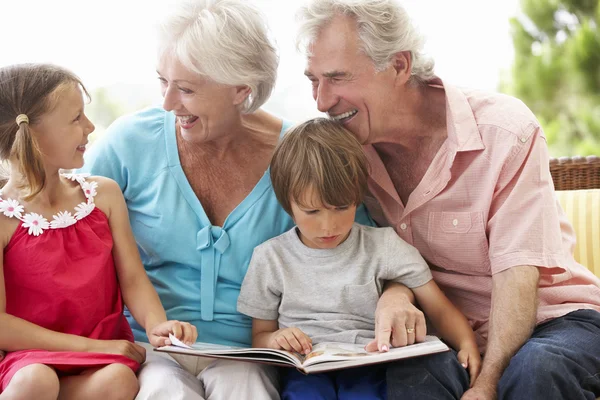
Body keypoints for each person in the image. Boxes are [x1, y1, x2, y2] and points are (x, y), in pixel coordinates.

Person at [81, 0, 427, 398]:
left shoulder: (301, 155)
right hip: (152, 346)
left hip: (251, 354)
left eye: (187, 89)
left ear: (241, 89)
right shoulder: (129, 144)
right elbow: (56, 221)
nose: (168, 103)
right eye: (164, 81)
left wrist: (397, 296)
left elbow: (364, 248)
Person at [296, 1, 600, 399]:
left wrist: (487, 384)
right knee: (410, 379)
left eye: (336, 78)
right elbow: (367, 254)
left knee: (534, 372)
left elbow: (517, 274)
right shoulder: (348, 156)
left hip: (554, 320)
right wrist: (396, 293)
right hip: (446, 332)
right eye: (313, 80)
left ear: (399, 66)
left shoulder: (504, 132)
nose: (321, 101)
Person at [237, 118, 481, 399]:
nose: (328, 226)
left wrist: (467, 343)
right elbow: (260, 336)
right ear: (287, 204)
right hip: (304, 369)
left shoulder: (383, 246)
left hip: (369, 365)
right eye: (312, 212)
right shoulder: (270, 258)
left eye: (341, 208)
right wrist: (276, 339)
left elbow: (438, 308)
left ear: (357, 197)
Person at [0, 63, 197, 400]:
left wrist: (156, 326)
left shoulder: (102, 196)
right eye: (76, 118)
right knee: (37, 381)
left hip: (102, 357)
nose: (89, 126)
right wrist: (95, 346)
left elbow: (133, 279)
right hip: (29, 357)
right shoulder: (4, 218)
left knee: (120, 380)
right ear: (32, 134)